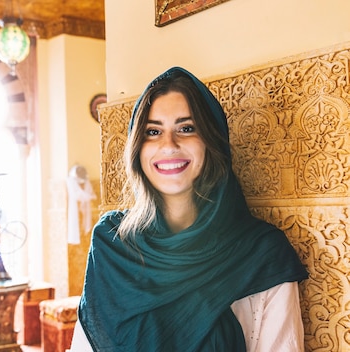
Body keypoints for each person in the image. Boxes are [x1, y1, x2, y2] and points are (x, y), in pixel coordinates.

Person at [69, 67, 309, 351]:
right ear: (137, 148)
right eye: (153, 131)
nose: (168, 145)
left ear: (211, 140)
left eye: (186, 128)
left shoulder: (261, 253)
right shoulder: (113, 245)